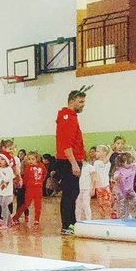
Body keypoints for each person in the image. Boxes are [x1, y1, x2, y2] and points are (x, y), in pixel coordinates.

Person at [55, 86, 89, 234]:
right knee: (69, 194)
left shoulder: (71, 117)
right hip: (68, 161)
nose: (83, 105)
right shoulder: (67, 118)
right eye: (80, 102)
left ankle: (71, 223)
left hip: (72, 160)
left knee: (73, 193)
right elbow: (66, 144)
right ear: (72, 101)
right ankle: (66, 225)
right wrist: (74, 163)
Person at [16, 151, 47, 228]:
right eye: (29, 159)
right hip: (30, 188)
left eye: (33, 159)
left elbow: (45, 173)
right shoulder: (27, 167)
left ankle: (37, 219)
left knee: (38, 205)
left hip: (39, 188)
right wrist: (25, 184)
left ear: (37, 159)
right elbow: (25, 178)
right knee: (26, 204)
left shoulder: (41, 165)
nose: (30, 161)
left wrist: (41, 181)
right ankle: (16, 217)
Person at [112, 151, 136, 220]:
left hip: (129, 190)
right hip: (120, 191)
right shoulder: (120, 169)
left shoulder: (134, 167)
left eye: (131, 162)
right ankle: (122, 218)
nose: (130, 164)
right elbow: (115, 176)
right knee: (122, 205)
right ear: (122, 163)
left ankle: (128, 213)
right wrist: (116, 177)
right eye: (128, 163)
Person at [0, 152, 16, 229]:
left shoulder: (9, 169)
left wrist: (0, 173)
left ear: (6, 160)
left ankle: (5, 224)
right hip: (0, 192)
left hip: (7, 192)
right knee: (3, 206)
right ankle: (10, 221)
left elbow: (6, 179)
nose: (0, 161)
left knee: (5, 207)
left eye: (2, 159)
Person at [91, 146, 114, 220]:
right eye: (96, 151)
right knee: (100, 203)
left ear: (104, 153)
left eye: (98, 151)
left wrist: (110, 152)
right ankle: (102, 217)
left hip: (105, 186)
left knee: (107, 203)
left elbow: (105, 162)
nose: (96, 153)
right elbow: (95, 175)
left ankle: (108, 217)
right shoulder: (96, 162)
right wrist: (93, 186)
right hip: (98, 187)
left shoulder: (107, 162)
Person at [75, 149, 95, 223]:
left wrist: (93, 189)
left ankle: (88, 220)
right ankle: (78, 220)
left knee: (86, 204)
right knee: (78, 204)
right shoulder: (79, 168)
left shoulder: (90, 167)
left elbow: (94, 179)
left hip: (87, 189)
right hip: (80, 189)